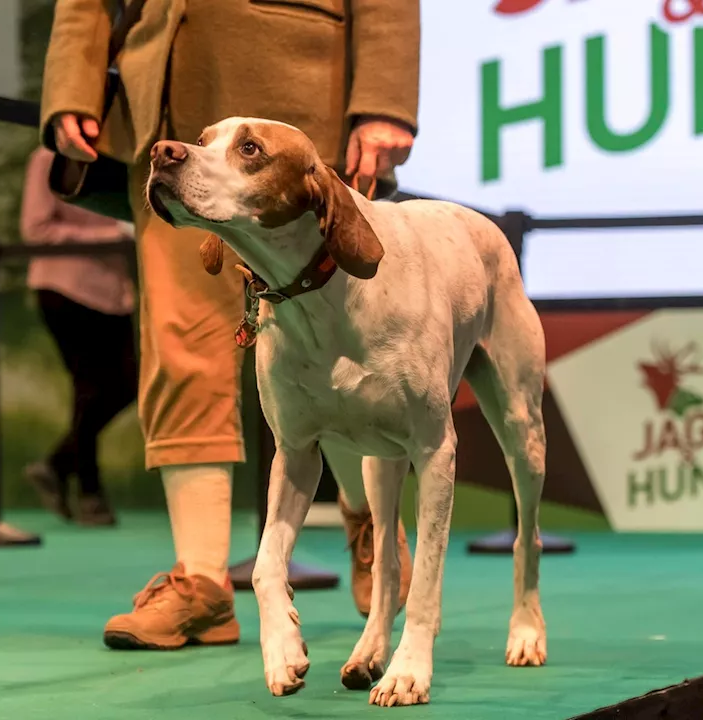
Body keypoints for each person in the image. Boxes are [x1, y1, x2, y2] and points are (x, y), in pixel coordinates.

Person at [41, 0, 421, 648]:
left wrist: (385, 95)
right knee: (179, 343)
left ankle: (372, 533)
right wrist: (71, 82)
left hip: (300, 85)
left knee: (341, 342)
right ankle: (201, 584)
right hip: (162, 91)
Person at [21, 146, 138, 527]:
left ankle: (56, 466)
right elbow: (36, 228)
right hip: (64, 287)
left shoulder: (125, 160)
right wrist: (112, 232)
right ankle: (90, 492)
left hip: (114, 294)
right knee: (88, 387)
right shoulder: (48, 158)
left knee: (127, 384)